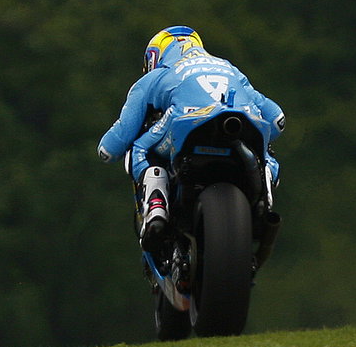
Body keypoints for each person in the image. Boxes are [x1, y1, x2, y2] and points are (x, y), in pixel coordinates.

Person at [97, 25, 286, 253]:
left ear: (155, 57)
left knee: (140, 148)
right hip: (242, 121)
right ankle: (264, 193)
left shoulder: (157, 75)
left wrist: (103, 149)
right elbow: (276, 120)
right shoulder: (229, 68)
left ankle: (157, 207)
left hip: (187, 122)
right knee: (264, 151)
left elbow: (116, 143)